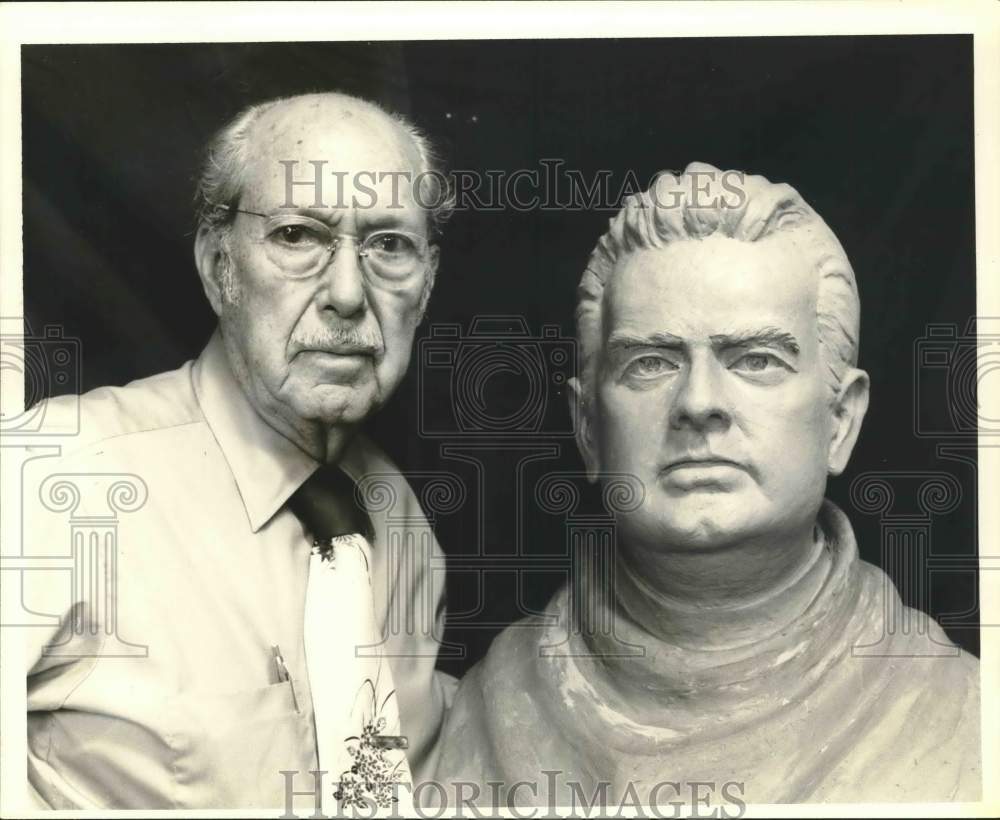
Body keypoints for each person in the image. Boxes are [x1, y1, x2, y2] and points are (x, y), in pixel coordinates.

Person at [431, 163, 981, 809]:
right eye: (651, 363)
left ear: (840, 420)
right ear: (588, 430)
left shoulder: (958, 713)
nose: (698, 403)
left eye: (755, 360)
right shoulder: (490, 709)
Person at [21, 91, 454, 811]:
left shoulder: (401, 522)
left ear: (428, 281)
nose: (347, 293)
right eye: (297, 236)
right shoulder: (54, 476)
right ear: (219, 263)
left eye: (388, 245)